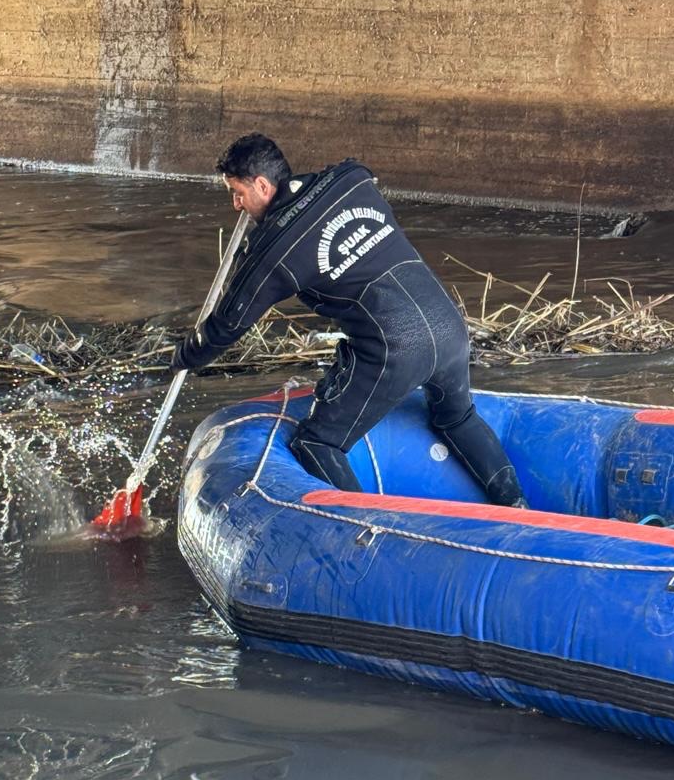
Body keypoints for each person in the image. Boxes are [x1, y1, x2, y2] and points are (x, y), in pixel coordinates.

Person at [172, 132, 526, 506]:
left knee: (317, 442)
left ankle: (372, 531)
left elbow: (227, 325)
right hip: (450, 327)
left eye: (238, 193)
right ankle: (516, 504)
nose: (236, 205)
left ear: (261, 185)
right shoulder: (350, 179)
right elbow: (356, 173)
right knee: (456, 418)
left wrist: (183, 357)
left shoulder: (274, 251)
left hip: (394, 350)